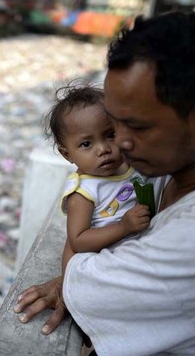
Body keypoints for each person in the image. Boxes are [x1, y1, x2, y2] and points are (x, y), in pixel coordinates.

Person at [14, 12, 195, 356]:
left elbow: (86, 288)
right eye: (115, 123)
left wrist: (73, 272)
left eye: (136, 127)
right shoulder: (184, 168)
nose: (118, 144)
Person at [43, 84, 164, 259]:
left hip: (138, 243)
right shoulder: (84, 192)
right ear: (67, 154)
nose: (103, 149)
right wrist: (123, 227)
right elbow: (78, 241)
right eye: (86, 144)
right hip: (104, 256)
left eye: (110, 135)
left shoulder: (130, 163)